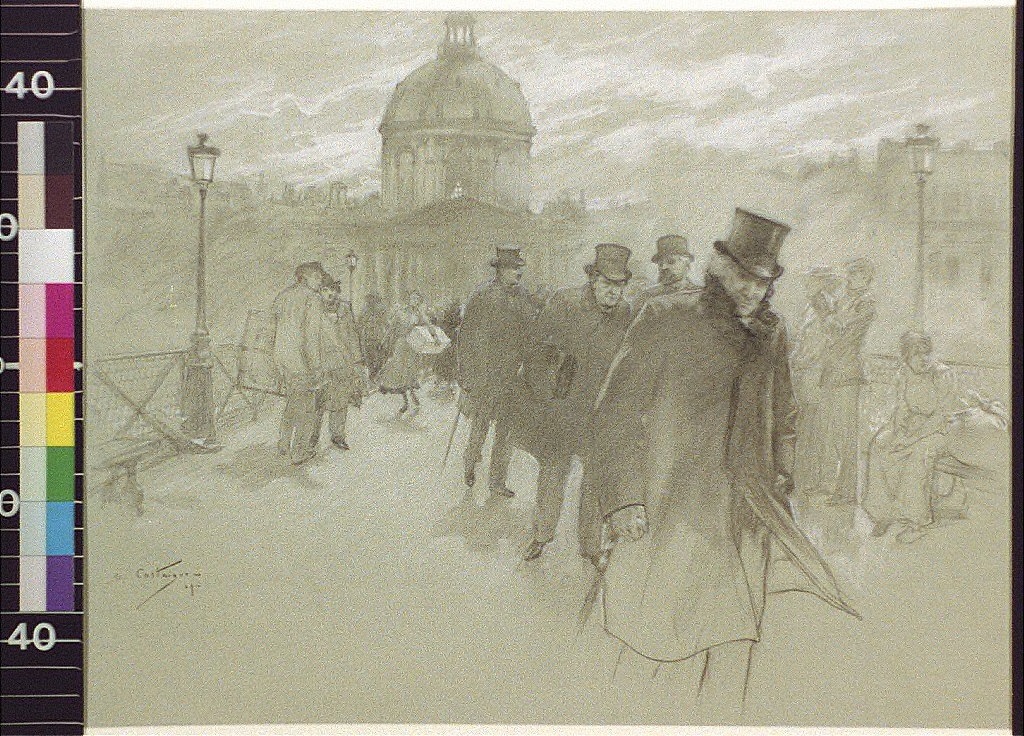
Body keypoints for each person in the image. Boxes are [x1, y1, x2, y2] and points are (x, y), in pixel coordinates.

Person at [588, 209, 858, 715]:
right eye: (744, 277)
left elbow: (785, 412)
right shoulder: (667, 318)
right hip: (671, 504)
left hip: (744, 512)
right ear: (720, 268)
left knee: (732, 643)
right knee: (655, 641)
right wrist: (624, 499)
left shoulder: (771, 333)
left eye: (764, 281)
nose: (754, 291)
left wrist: (782, 472)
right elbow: (616, 411)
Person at [504, 244, 633, 562]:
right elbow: (534, 350)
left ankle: (589, 546)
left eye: (620, 286)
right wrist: (545, 396)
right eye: (607, 284)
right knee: (553, 473)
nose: (614, 292)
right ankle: (541, 535)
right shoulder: (565, 302)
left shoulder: (625, 313)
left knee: (595, 478)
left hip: (598, 412)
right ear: (593, 279)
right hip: (562, 408)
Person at [862, 329, 1008, 543]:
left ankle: (917, 522)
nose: (923, 359)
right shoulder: (904, 373)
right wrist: (896, 429)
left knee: (920, 454)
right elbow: (901, 406)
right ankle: (882, 512)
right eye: (916, 354)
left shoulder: (942, 374)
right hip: (918, 424)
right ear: (906, 357)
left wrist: (910, 438)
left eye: (926, 353)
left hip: (947, 428)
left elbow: (941, 416)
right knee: (879, 444)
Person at [457, 247, 538, 499]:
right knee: (480, 428)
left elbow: (532, 333)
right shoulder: (481, 296)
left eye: (519, 267)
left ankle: (497, 482)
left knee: (507, 432)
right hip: (485, 376)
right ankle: (470, 463)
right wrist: (466, 379)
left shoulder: (524, 297)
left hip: (513, 377)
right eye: (514, 268)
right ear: (500, 270)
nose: (518, 272)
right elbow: (466, 338)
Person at [819, 257, 876, 505]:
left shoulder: (866, 303)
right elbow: (832, 328)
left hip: (849, 373)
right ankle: (831, 483)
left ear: (866, 279)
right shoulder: (844, 300)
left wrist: (833, 325)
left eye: (855, 275)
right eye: (849, 274)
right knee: (832, 430)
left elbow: (846, 333)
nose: (849, 279)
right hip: (833, 371)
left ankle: (847, 491)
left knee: (847, 433)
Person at [790, 266, 842, 496]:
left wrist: (804, 359)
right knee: (808, 426)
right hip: (806, 372)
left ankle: (827, 479)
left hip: (819, 374)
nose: (805, 286)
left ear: (821, 283)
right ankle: (809, 477)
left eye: (810, 282)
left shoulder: (826, 308)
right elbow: (803, 340)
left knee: (823, 427)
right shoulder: (811, 307)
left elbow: (826, 343)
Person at [272, 261, 328, 465]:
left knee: (293, 401)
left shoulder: (283, 296)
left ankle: (284, 442)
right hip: (302, 361)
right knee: (307, 409)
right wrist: (316, 367)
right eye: (317, 276)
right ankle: (299, 451)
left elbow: (273, 326)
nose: (320, 280)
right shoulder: (313, 299)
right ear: (304, 277)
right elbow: (310, 337)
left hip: (282, 359)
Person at [309, 278, 363, 450]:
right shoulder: (314, 310)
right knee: (317, 403)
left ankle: (337, 435)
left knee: (340, 402)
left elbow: (353, 336)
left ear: (338, 292)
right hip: (321, 363)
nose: (330, 294)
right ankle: (312, 437)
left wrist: (357, 360)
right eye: (325, 290)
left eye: (333, 290)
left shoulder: (345, 309)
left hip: (342, 363)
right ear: (320, 292)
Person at [377, 291, 430, 418]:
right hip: (401, 345)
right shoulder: (401, 312)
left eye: (417, 299)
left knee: (410, 373)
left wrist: (433, 337)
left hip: (413, 346)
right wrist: (383, 341)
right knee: (400, 373)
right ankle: (406, 401)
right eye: (413, 298)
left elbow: (427, 327)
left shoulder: (419, 315)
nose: (415, 301)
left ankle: (412, 396)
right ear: (409, 299)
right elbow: (391, 329)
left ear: (419, 302)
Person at [631, 234, 702, 318]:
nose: (664, 267)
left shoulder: (701, 296)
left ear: (686, 264)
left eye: (671, 261)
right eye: (660, 264)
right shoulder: (644, 296)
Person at [358, 292, 389, 380]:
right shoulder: (364, 310)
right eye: (368, 300)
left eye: (371, 299)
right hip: (367, 337)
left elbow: (386, 323)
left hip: (378, 337)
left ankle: (376, 375)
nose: (369, 301)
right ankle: (372, 375)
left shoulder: (380, 310)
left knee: (378, 357)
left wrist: (386, 336)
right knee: (369, 358)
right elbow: (360, 323)